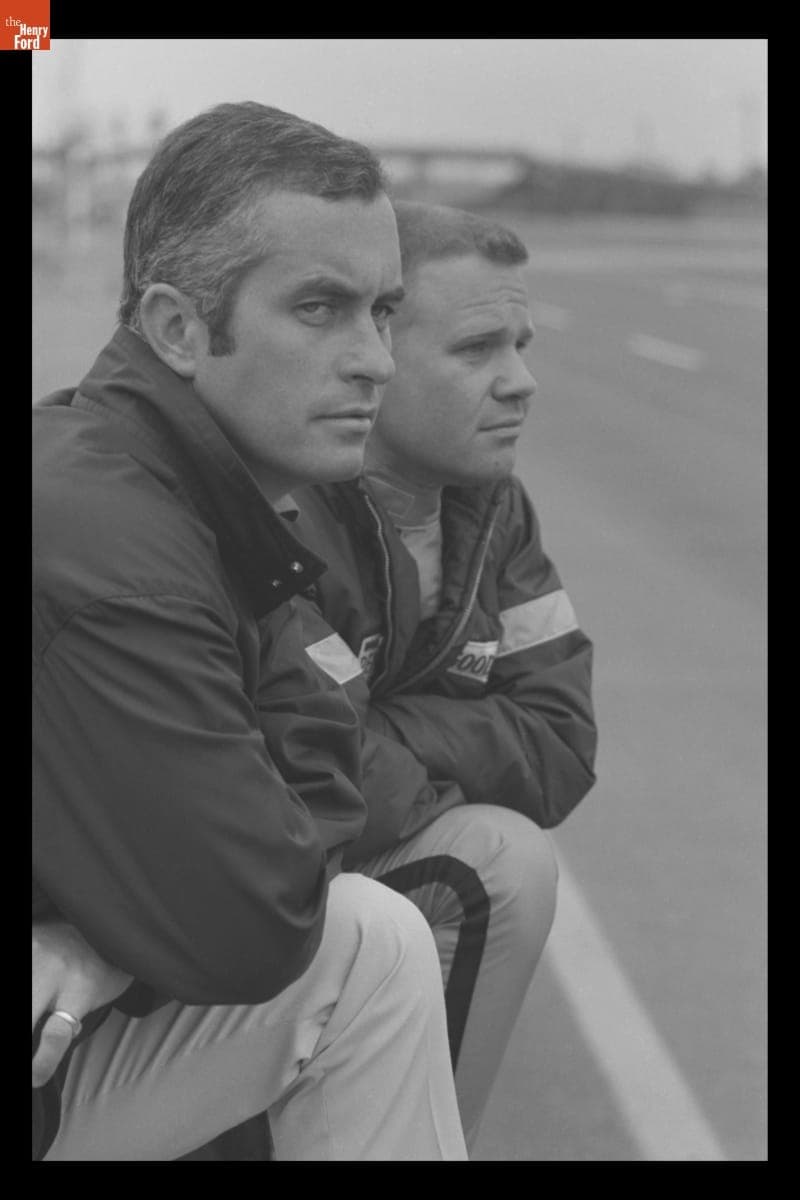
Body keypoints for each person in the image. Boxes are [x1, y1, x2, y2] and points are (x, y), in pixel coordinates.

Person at [32, 103, 467, 1162]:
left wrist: (107, 943)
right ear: (179, 328)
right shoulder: (120, 548)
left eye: (383, 311)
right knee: (366, 946)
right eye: (320, 309)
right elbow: (253, 921)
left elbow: (321, 770)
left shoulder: (161, 481)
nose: (374, 360)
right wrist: (136, 939)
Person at [293, 200, 598, 1147]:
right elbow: (313, 780)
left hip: (341, 871)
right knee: (497, 863)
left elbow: (560, 745)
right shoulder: (286, 508)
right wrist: (402, 741)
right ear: (375, 350)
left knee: (499, 847)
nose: (522, 383)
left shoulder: (494, 510)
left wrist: (396, 728)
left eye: (523, 343)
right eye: (477, 351)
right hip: (242, 891)